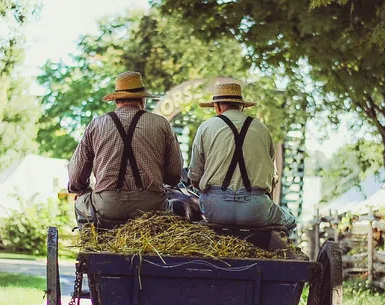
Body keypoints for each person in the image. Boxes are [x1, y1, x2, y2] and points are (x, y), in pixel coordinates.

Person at [68, 71, 183, 227]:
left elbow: (76, 177)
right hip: (151, 209)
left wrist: (83, 190)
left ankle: (92, 242)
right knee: (176, 204)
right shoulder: (161, 124)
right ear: (142, 99)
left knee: (80, 201)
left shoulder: (96, 125)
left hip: (107, 207)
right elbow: (174, 174)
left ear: (116, 100)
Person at [187, 81, 296, 230]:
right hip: (256, 210)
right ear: (242, 106)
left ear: (217, 107)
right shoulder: (262, 129)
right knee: (290, 221)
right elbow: (272, 178)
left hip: (215, 210)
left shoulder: (206, 127)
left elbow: (194, 176)